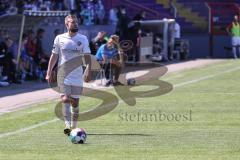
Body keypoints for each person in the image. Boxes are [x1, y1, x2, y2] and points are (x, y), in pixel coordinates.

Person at [46, 14, 91, 136]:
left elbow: (87, 57)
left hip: (77, 75)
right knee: (65, 99)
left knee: (75, 102)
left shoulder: (83, 39)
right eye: (72, 22)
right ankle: (67, 126)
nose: (75, 24)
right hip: (63, 74)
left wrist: (88, 69)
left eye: (76, 22)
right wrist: (49, 71)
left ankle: (73, 127)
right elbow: (54, 55)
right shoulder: (59, 38)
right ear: (67, 24)